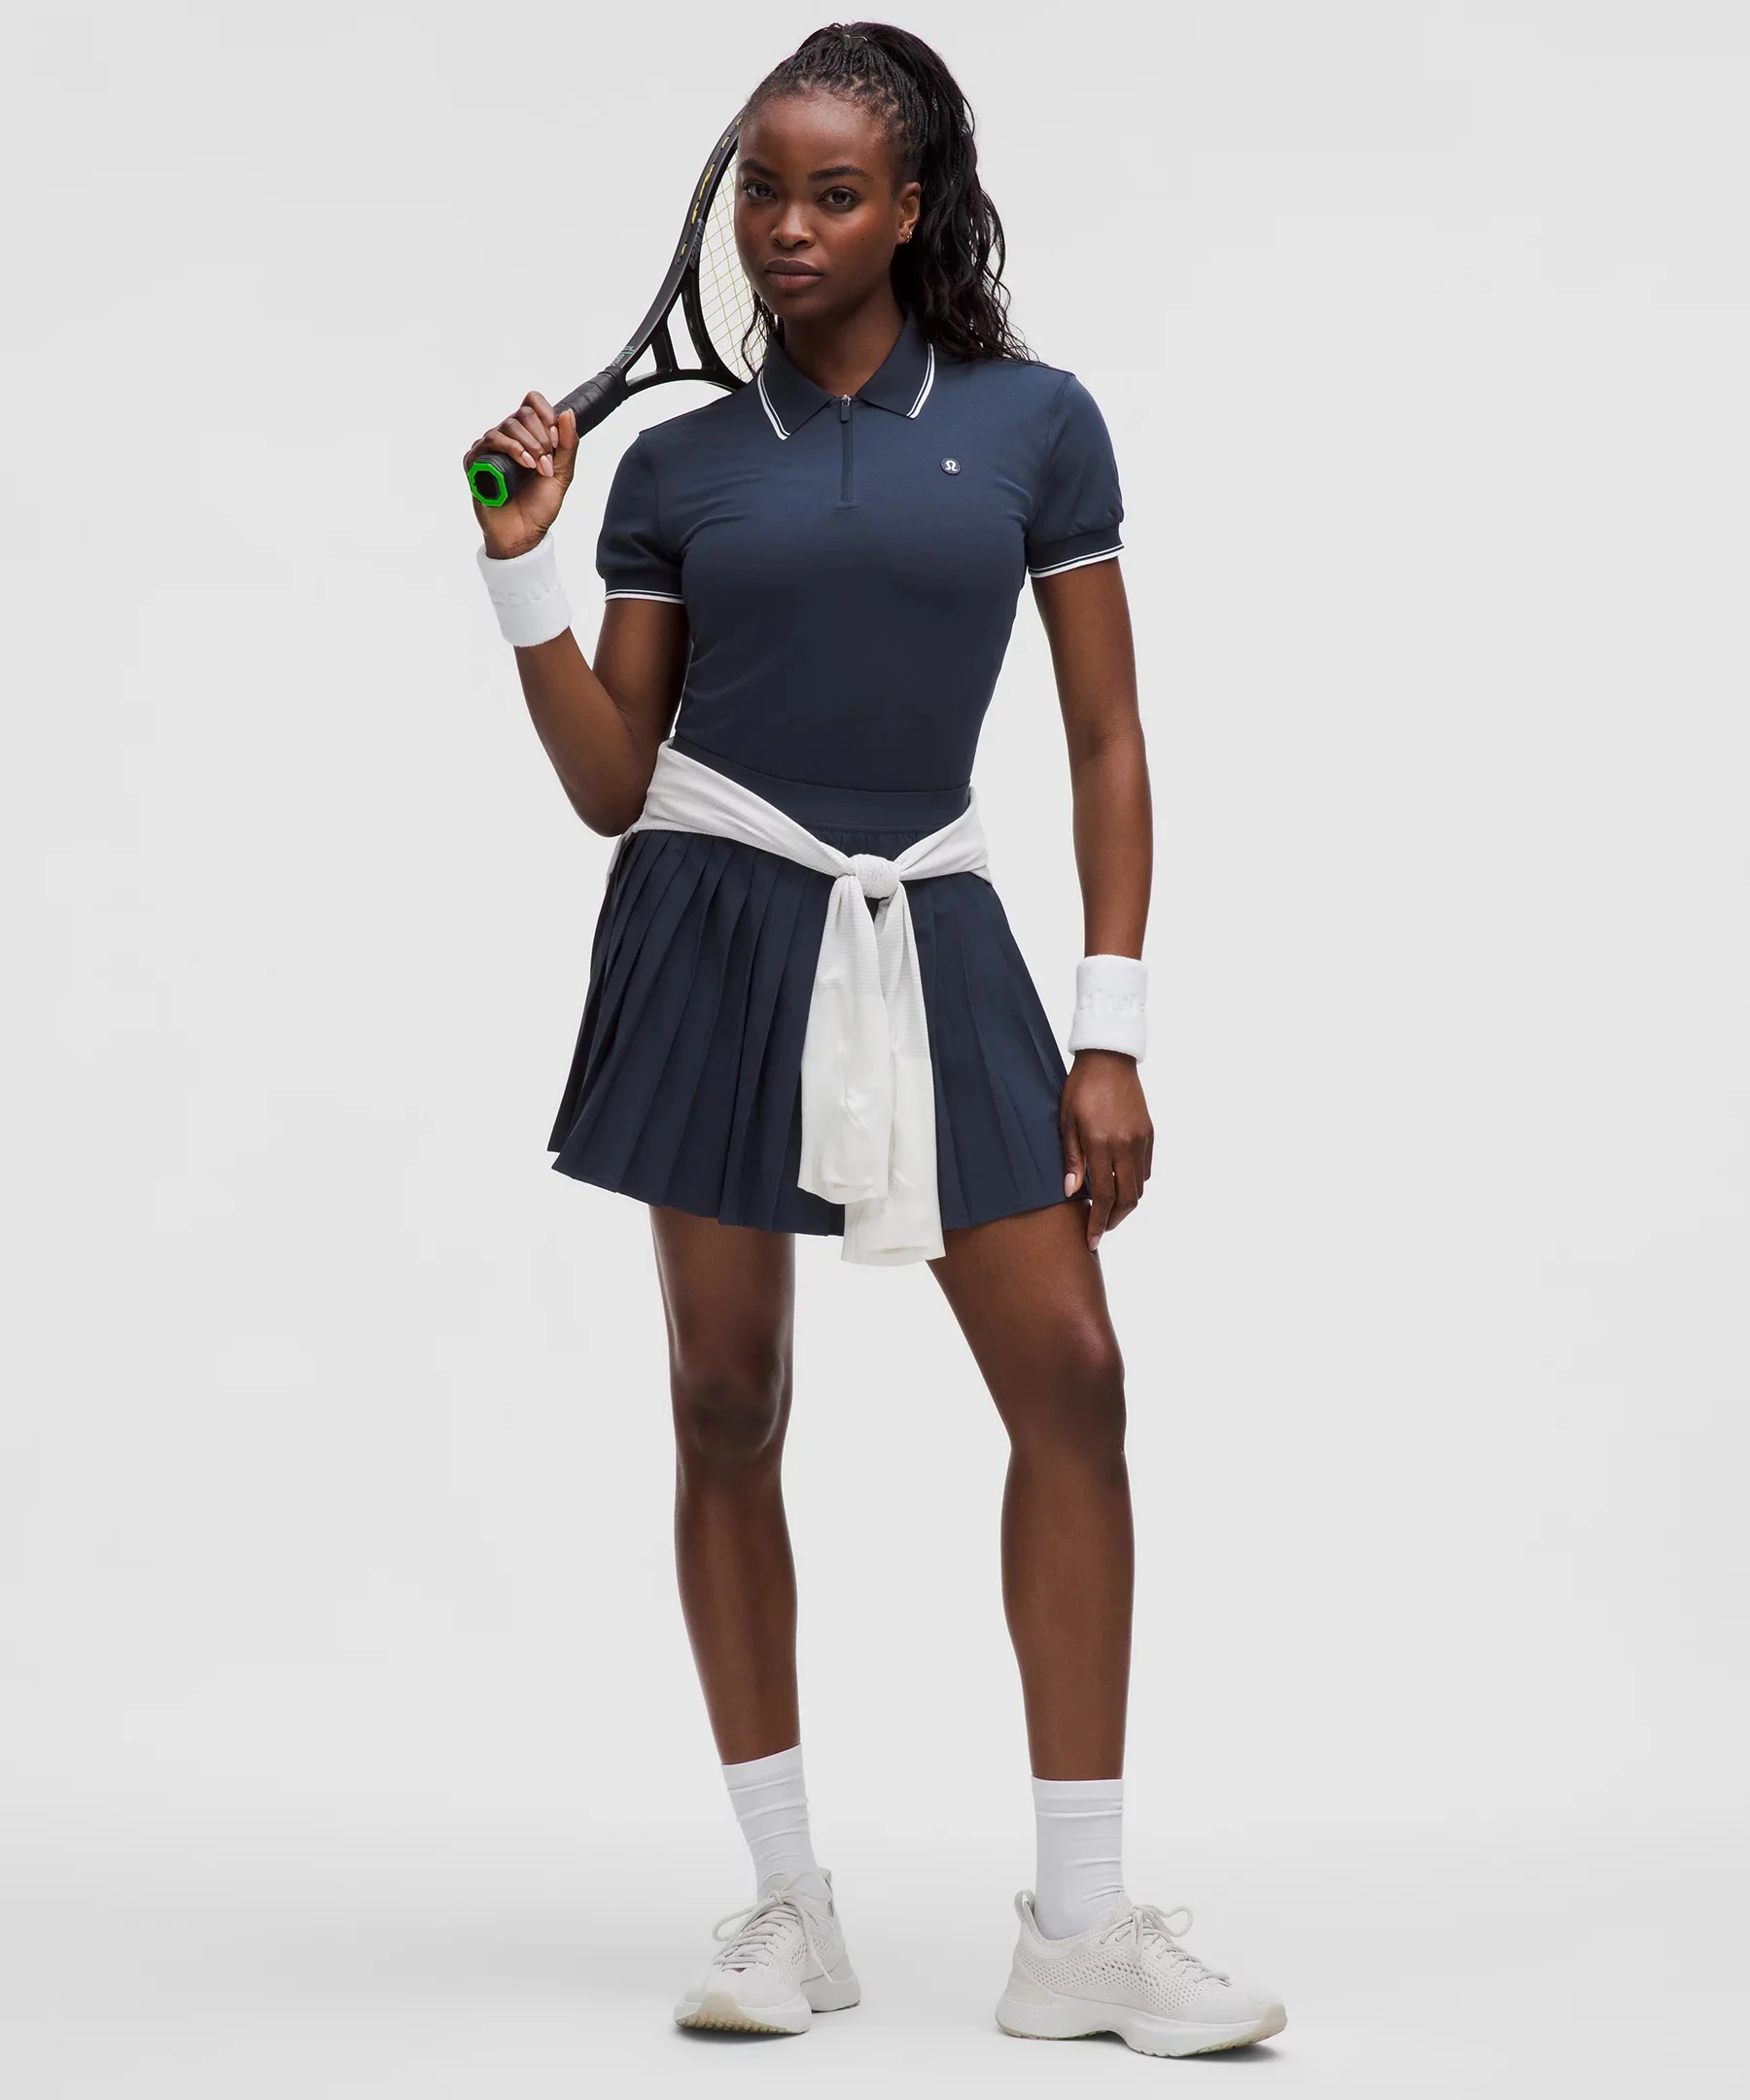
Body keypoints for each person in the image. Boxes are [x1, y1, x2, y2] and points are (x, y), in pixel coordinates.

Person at [463, 19, 1285, 2061]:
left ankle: (1081, 1930)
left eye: (834, 192)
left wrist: (1110, 1028)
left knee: (1074, 1378)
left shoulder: (1033, 425)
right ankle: (786, 1905)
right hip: (708, 928)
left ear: (915, 208)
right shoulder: (678, 468)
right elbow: (611, 783)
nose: (788, 226)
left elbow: (1107, 737)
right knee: (725, 1401)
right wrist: (522, 570)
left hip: (937, 923)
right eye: (762, 188)